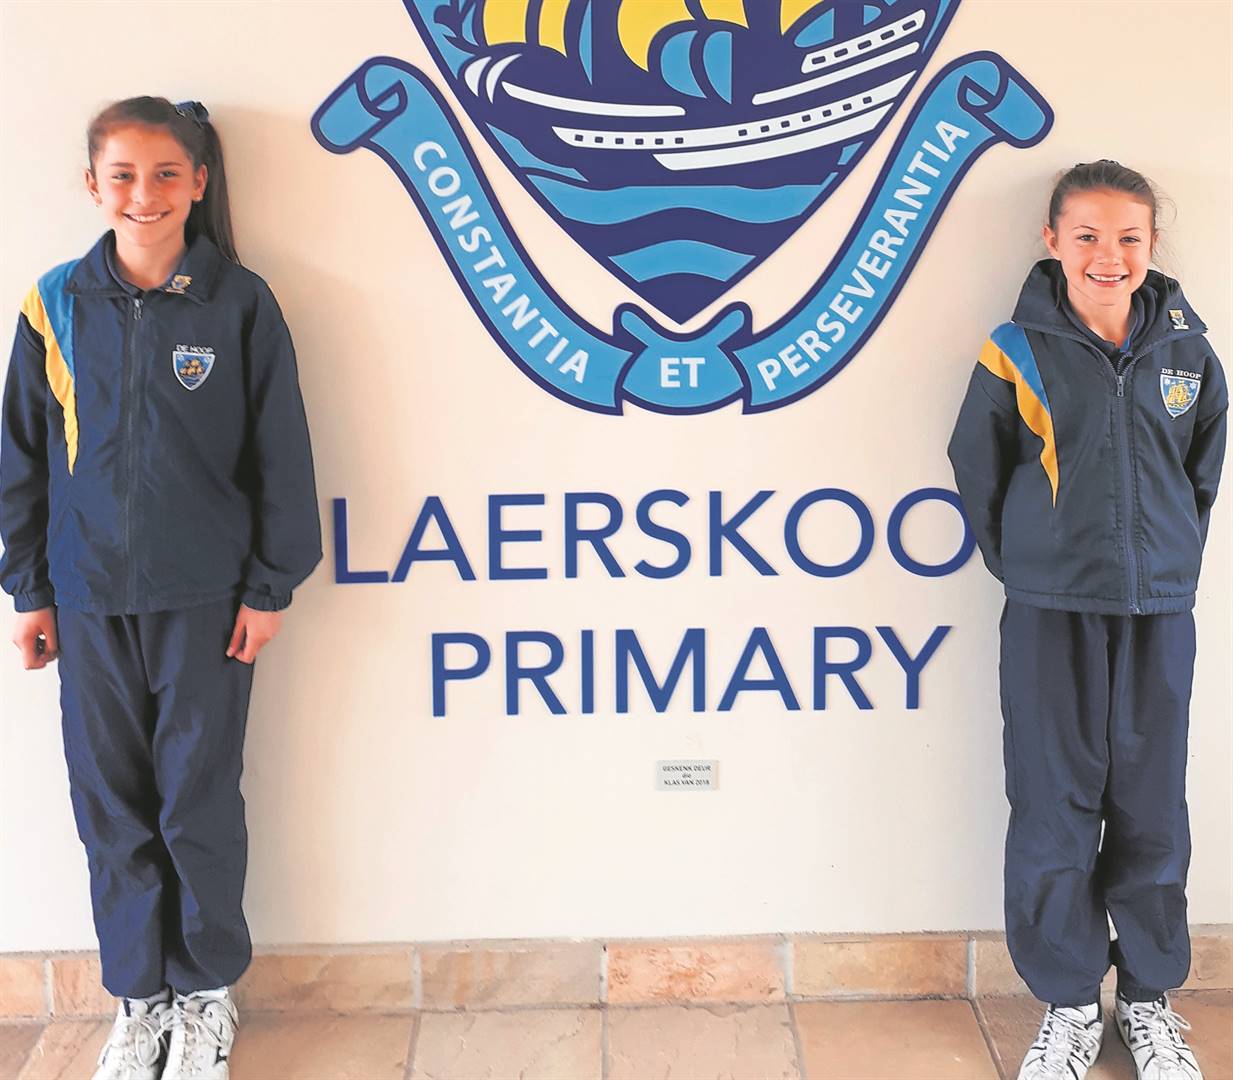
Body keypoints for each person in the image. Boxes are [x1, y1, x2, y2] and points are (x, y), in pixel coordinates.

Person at [0, 97, 322, 1080]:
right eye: (123, 176)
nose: (144, 194)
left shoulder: (239, 303)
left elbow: (281, 455)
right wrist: (30, 590)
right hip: (87, 598)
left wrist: (269, 588)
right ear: (92, 186)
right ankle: (139, 1001)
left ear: (198, 181)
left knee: (196, 803)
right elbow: (22, 460)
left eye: (165, 174)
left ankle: (207, 995)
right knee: (112, 807)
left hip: (206, 603)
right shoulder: (53, 304)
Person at [948, 160, 1226, 1080]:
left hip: (1158, 614)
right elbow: (978, 469)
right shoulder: (1013, 349)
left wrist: (1167, 563)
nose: (1108, 255)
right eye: (1087, 236)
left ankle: (1146, 1001)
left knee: (1151, 809)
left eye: (1127, 238)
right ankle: (1068, 1003)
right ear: (1052, 241)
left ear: (1151, 245)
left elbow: (1200, 475)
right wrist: (1034, 566)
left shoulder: (1188, 352)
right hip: (1049, 614)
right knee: (1051, 806)